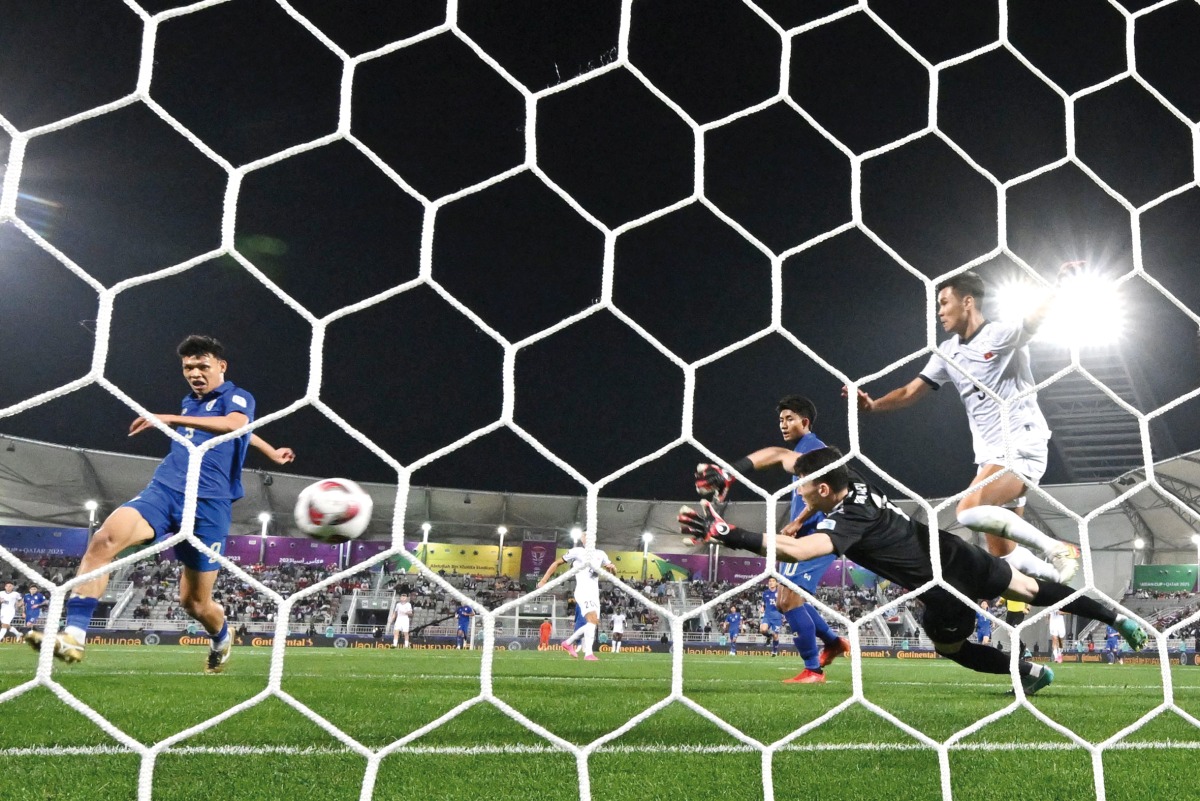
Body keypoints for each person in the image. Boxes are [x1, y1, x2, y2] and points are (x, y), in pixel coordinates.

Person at [679, 446, 1148, 695]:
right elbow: (785, 459)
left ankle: (1026, 670)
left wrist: (729, 533)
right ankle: (1116, 617)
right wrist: (731, 471)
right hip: (958, 554)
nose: (798, 492)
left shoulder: (846, 520)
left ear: (823, 488)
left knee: (950, 646)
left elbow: (800, 552)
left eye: (803, 488)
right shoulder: (851, 481)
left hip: (940, 588)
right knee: (1029, 586)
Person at [26, 335, 295, 673]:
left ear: (221, 366)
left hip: (209, 507)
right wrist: (270, 450)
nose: (195, 373)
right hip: (165, 490)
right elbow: (239, 430)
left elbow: (236, 425)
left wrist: (170, 418)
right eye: (188, 367)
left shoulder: (237, 396)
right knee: (103, 540)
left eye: (202, 366)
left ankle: (222, 637)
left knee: (195, 603)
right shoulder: (190, 402)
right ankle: (74, 636)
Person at [844, 266, 1083, 584]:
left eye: (944, 302)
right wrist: (873, 406)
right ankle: (1063, 585)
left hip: (1020, 444)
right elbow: (909, 392)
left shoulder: (998, 335)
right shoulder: (948, 352)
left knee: (967, 511)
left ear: (967, 302)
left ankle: (1058, 549)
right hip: (990, 456)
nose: (940, 312)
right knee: (1003, 558)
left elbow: (1033, 321)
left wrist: (1058, 287)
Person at [692, 395, 850, 683]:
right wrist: (730, 473)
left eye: (789, 419)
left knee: (788, 600)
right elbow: (777, 454)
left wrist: (798, 521)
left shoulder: (814, 448)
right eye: (780, 420)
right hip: (813, 531)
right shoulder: (805, 449)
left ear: (805, 422)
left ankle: (813, 670)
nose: (783, 424)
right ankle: (833, 642)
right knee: (785, 600)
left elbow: (830, 489)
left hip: (820, 533)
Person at [536, 531, 615, 661]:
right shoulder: (577, 551)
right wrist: (544, 580)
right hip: (583, 591)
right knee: (591, 620)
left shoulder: (601, 554)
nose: (587, 537)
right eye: (584, 536)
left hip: (594, 593)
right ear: (582, 539)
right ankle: (588, 654)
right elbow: (557, 563)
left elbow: (613, 574)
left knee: (593, 623)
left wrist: (611, 568)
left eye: (590, 535)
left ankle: (567, 643)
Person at [760, 577, 782, 656]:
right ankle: (768, 637)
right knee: (763, 630)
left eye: (773, 581)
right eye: (770, 581)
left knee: (775, 635)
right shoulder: (765, 593)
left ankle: (774, 652)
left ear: (776, 583)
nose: (771, 582)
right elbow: (763, 602)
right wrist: (762, 607)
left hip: (777, 616)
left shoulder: (780, 592)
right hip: (767, 615)